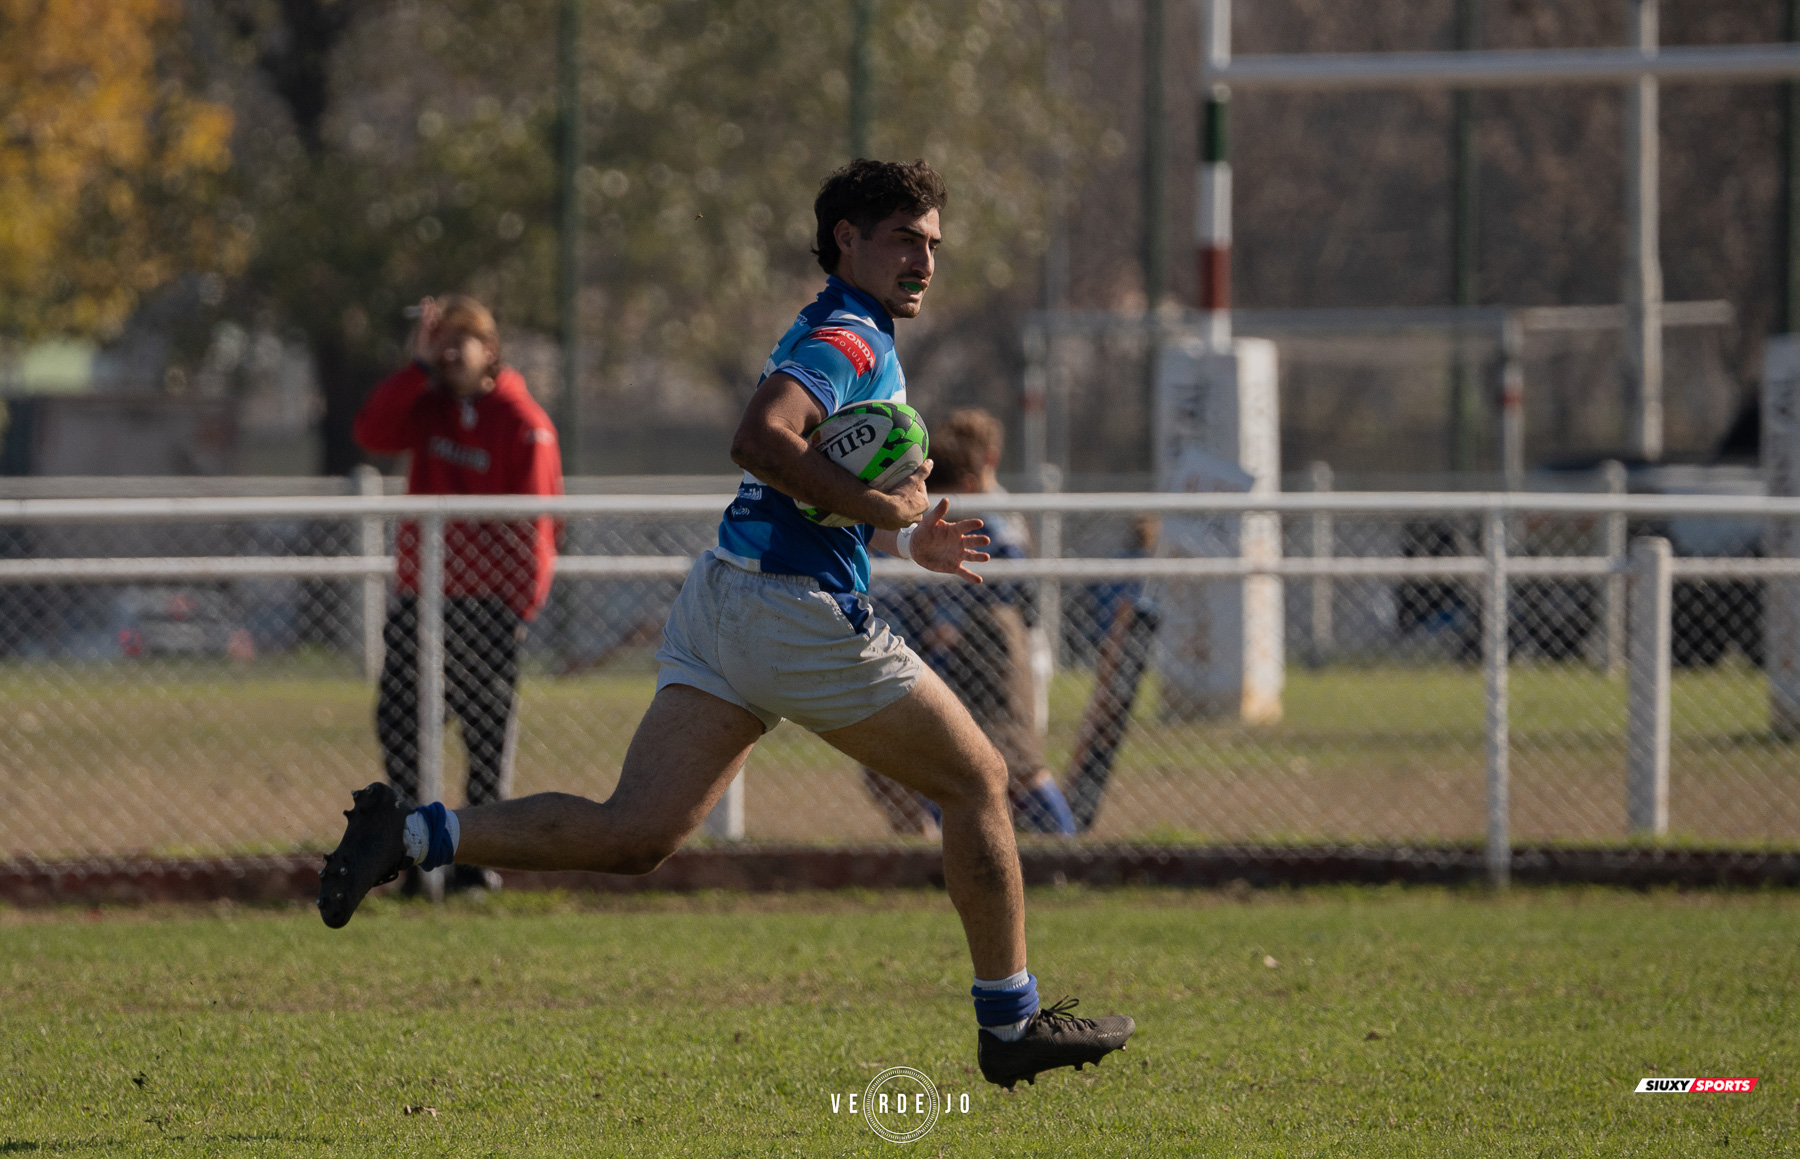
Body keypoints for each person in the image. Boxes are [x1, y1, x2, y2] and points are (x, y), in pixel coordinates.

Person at [317, 160, 1133, 1089]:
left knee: (636, 833)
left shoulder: (840, 327)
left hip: (729, 595)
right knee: (982, 780)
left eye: (933, 243)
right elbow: (758, 439)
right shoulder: (848, 336)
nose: (923, 259)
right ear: (847, 240)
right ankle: (1011, 1022)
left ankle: (412, 837)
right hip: (790, 613)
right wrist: (880, 509)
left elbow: (803, 487)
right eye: (904, 238)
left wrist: (901, 535)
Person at [351, 294, 563, 894]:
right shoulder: (427, 406)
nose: (446, 355)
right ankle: (418, 859)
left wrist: (519, 609)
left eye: (457, 344)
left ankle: (475, 867)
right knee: (401, 723)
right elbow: (372, 430)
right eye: (436, 344)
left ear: (488, 351)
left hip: (489, 607)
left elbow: (538, 528)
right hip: (425, 601)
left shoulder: (523, 424)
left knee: (485, 738)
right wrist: (415, 368)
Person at [861, 409, 1077, 836]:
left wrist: (955, 620)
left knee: (1016, 763)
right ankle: (943, 847)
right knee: (918, 767)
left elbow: (1015, 591)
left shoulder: (993, 519)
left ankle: (1060, 845)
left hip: (995, 655)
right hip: (946, 660)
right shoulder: (947, 517)